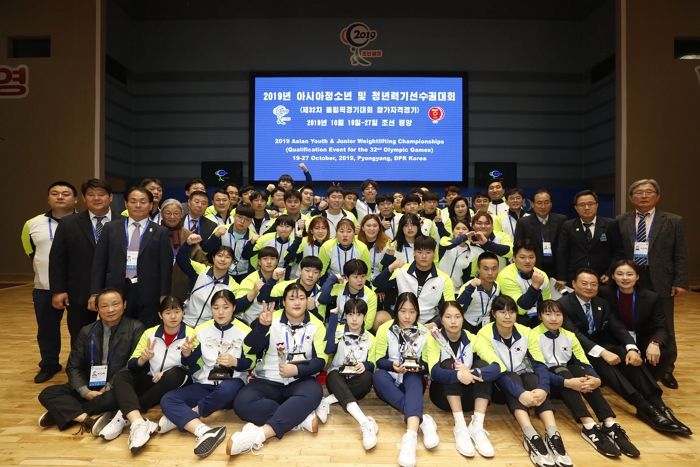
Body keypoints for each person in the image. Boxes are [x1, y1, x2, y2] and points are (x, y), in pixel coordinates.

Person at [558, 268, 690, 435]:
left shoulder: (601, 303)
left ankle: (659, 404)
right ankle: (642, 406)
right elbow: (575, 336)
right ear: (574, 284)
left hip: (601, 345)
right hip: (576, 353)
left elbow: (617, 327)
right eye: (584, 283)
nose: (589, 287)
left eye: (593, 284)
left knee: (625, 354)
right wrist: (603, 352)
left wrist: (632, 348)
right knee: (602, 361)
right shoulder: (563, 305)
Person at [228, 283, 328, 456]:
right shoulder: (268, 318)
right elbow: (250, 349)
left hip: (299, 380)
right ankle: (297, 416)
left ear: (307, 301)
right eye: (292, 298)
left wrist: (297, 371)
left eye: (301, 298)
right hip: (267, 380)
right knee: (241, 404)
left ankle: (259, 435)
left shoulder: (317, 325)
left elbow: (321, 361)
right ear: (283, 301)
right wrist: (261, 327)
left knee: (314, 392)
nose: (297, 303)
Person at [530, 300, 639, 458]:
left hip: (567, 378)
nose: (553, 318)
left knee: (578, 370)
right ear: (540, 316)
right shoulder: (533, 335)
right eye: (548, 314)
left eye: (557, 314)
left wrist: (596, 379)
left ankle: (609, 423)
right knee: (563, 370)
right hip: (545, 382)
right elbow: (538, 369)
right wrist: (567, 382)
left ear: (563, 317)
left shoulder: (569, 335)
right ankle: (588, 426)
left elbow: (584, 362)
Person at [477, 295, 572, 467]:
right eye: (502, 312)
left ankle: (552, 433)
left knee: (533, 377)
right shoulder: (484, 334)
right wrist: (520, 394)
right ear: (493, 313)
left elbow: (539, 364)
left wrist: (543, 388)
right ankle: (530, 434)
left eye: (512, 312)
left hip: (526, 382)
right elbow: (497, 369)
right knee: (513, 376)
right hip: (500, 386)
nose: (508, 316)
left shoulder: (526, 333)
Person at [158, 290, 255, 458]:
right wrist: (187, 354)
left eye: (225, 307)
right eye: (216, 308)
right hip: (205, 383)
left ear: (233, 308)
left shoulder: (246, 331)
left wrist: (235, 362)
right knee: (168, 399)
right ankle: (204, 430)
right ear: (211, 310)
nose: (221, 312)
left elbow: (250, 363)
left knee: (227, 389)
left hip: (232, 384)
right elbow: (191, 364)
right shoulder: (201, 329)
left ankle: (189, 415)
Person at [37, 289, 145, 434]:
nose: (110, 309)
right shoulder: (87, 331)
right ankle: (84, 418)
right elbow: (73, 366)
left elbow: (131, 365)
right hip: (90, 383)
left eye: (115, 304)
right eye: (104, 306)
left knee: (113, 399)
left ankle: (62, 413)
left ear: (124, 305)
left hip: (116, 385)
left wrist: (109, 386)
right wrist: (84, 391)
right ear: (97, 308)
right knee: (47, 393)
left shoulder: (136, 328)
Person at [616, 178, 688, 390]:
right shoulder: (621, 220)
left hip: (660, 279)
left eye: (648, 192)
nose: (644, 196)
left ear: (658, 196)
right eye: (638, 192)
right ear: (631, 197)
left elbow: (681, 254)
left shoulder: (673, 221)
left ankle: (666, 368)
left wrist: (680, 281)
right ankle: (636, 360)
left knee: (665, 323)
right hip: (630, 278)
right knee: (629, 318)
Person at [97, 296, 193, 452]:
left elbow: (197, 368)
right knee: (122, 376)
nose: (173, 316)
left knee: (175, 373)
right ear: (160, 315)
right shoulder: (150, 333)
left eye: (177, 311)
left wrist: (185, 357)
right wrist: (142, 359)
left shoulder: (192, 334)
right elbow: (132, 363)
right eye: (168, 312)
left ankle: (125, 413)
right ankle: (137, 421)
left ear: (183, 313)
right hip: (153, 378)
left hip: (178, 380)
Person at [425, 301, 502, 458]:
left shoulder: (473, 338)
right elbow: (434, 372)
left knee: (483, 365)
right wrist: (459, 374)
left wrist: (473, 372)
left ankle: (477, 426)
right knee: (448, 365)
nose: (453, 321)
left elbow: (497, 366)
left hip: (470, 398)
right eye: (448, 317)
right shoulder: (434, 338)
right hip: (443, 397)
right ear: (441, 318)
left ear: (463, 318)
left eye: (457, 316)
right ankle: (460, 426)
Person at [90, 187, 173, 327]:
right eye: (133, 201)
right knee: (116, 331)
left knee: (146, 332)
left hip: (148, 292)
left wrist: (164, 294)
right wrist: (95, 292)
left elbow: (166, 266)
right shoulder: (111, 228)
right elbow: (99, 262)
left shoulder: (161, 232)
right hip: (116, 290)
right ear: (126, 204)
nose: (138, 205)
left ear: (151, 206)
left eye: (143, 202)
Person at [372, 292, 439, 467]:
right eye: (403, 311)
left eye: (412, 311)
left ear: (417, 312)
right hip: (390, 380)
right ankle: (422, 419)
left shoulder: (424, 332)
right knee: (377, 375)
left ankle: (410, 438)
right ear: (396, 311)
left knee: (413, 375)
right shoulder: (385, 329)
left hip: (413, 381)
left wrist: (418, 366)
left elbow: (428, 363)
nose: (407, 316)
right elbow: (378, 360)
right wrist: (392, 365)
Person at [49, 179, 111, 364]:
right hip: (79, 292)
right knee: (80, 336)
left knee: (116, 334)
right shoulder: (69, 223)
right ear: (84, 198)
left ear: (110, 197)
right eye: (91, 194)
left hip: (115, 290)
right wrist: (58, 290)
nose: (96, 198)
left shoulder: (122, 222)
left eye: (101, 194)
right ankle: (79, 373)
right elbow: (57, 259)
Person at [22, 181, 78, 383]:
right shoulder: (32, 224)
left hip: (76, 288)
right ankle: (49, 363)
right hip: (44, 288)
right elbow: (31, 252)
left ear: (75, 199)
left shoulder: (84, 222)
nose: (60, 197)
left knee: (79, 330)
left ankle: (77, 365)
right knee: (46, 329)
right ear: (48, 198)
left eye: (66, 193)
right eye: (55, 193)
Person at [315, 299, 379, 450]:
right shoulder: (338, 331)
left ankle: (327, 401)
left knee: (368, 377)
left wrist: (365, 365)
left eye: (358, 314)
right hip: (338, 376)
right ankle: (364, 422)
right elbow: (329, 349)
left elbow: (374, 363)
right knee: (333, 376)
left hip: (357, 378)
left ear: (365, 316)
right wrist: (332, 320)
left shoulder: (371, 338)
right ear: (345, 316)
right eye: (350, 314)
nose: (354, 319)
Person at [599, 260, 669, 377]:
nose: (625, 278)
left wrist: (655, 343)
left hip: (642, 336)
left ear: (637, 277)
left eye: (629, 274)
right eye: (620, 274)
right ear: (612, 276)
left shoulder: (651, 297)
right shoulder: (603, 293)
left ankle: (650, 378)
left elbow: (661, 326)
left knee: (663, 353)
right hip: (616, 337)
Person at [374, 235, 455, 325]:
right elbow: (377, 285)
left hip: (428, 321)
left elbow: (450, 309)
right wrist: (391, 267)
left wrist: (435, 323)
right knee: (379, 319)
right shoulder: (402, 270)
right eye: (419, 252)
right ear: (414, 253)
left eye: (428, 252)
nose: (424, 256)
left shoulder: (444, 279)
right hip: (401, 317)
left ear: (434, 254)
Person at [556, 189, 621, 286]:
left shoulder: (610, 224)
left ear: (597, 205)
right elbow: (562, 253)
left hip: (602, 278)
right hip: (575, 278)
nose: (586, 208)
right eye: (582, 205)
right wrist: (562, 277)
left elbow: (618, 252)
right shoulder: (568, 226)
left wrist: (610, 273)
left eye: (590, 204)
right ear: (576, 208)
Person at [514, 189, 566, 280]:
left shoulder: (561, 220)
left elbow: (565, 248)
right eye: (539, 203)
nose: (543, 206)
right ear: (533, 205)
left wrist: (562, 276)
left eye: (546, 202)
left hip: (557, 270)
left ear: (551, 204)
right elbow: (518, 247)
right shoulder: (523, 222)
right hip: (533, 269)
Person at [496, 240, 551, 327]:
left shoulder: (542, 275)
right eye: (522, 257)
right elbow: (520, 309)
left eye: (531, 257)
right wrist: (535, 286)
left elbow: (546, 304)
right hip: (513, 319)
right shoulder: (506, 276)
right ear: (513, 258)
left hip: (537, 318)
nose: (527, 261)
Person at [318, 259, 378, 331]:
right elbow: (322, 299)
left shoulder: (371, 295)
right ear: (346, 277)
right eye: (355, 277)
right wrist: (332, 278)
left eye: (363, 276)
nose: (360, 280)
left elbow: (368, 325)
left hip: (358, 332)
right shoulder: (339, 288)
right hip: (337, 330)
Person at [201, 204, 255, 283]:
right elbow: (206, 249)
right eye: (239, 217)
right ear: (234, 217)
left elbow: (252, 259)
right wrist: (216, 236)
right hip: (221, 271)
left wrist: (252, 243)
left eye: (247, 219)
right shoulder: (221, 229)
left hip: (244, 274)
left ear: (251, 222)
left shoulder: (253, 237)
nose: (242, 221)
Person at [235, 246, 282, 326]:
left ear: (277, 262)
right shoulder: (250, 279)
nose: (269, 262)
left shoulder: (280, 279)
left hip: (271, 323)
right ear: (259, 262)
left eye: (273, 259)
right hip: (249, 324)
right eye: (265, 259)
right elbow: (237, 306)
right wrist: (253, 292)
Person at [456, 252, 501, 333]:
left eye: (494, 269)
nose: (490, 273)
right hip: (468, 325)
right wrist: (470, 288)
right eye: (486, 269)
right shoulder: (469, 287)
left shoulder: (497, 286)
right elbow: (458, 308)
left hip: (487, 325)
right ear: (478, 269)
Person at [438, 219, 479, 289]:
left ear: (469, 232)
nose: (460, 231)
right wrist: (464, 237)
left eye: (464, 229)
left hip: (456, 290)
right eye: (457, 228)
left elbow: (469, 276)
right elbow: (449, 245)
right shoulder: (445, 240)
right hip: (438, 286)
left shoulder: (472, 252)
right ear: (453, 231)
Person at [357, 213, 393, 282]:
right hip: (359, 281)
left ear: (379, 228)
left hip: (380, 281)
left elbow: (387, 269)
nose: (372, 229)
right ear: (362, 228)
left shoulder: (387, 244)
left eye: (375, 226)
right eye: (368, 226)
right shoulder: (356, 242)